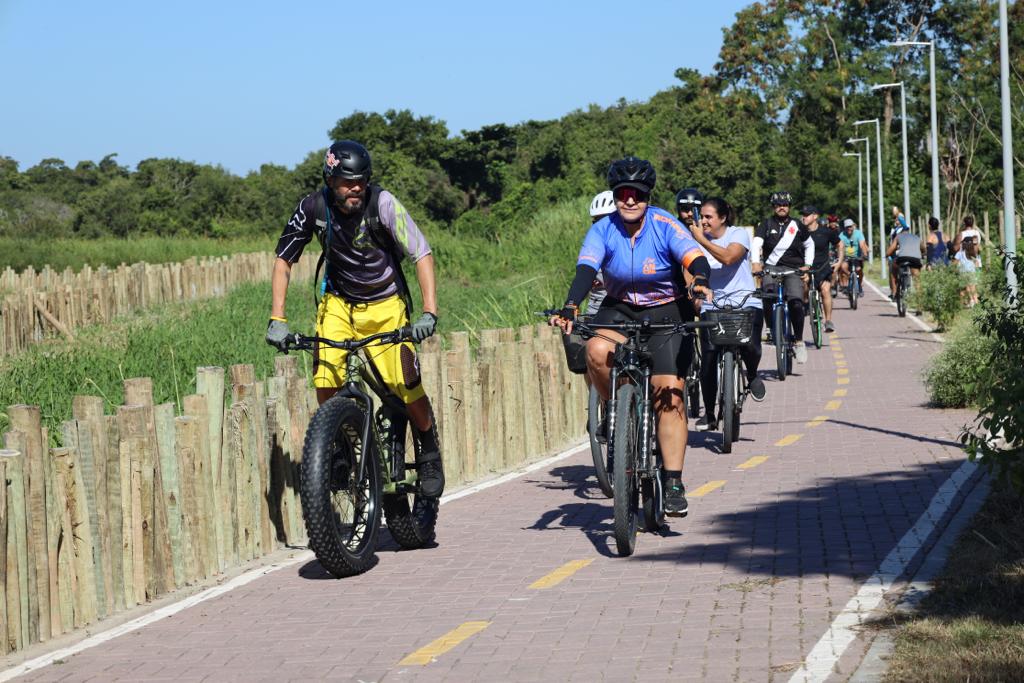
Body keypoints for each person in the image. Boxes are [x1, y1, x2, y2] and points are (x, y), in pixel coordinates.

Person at [265, 140, 445, 498]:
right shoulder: (313, 207)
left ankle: (428, 449)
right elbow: (284, 260)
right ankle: (343, 448)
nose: (356, 189)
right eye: (348, 182)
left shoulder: (384, 204)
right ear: (330, 180)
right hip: (338, 304)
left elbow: (421, 253)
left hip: (386, 305)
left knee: (405, 383)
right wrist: (277, 317)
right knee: (326, 376)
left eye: (362, 181)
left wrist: (429, 312)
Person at [550, 156, 713, 517]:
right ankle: (618, 410)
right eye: (623, 193)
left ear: (647, 196)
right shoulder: (603, 229)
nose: (629, 200)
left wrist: (700, 281)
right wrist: (570, 305)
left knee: (669, 390)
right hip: (620, 306)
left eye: (637, 194)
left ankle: (672, 481)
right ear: (615, 195)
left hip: (668, 308)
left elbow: (694, 258)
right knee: (595, 350)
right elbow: (586, 269)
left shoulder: (664, 224)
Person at [689, 196, 766, 432]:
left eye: (708, 217)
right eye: (701, 216)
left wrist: (702, 240)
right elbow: (687, 268)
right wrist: (695, 295)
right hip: (713, 304)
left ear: (722, 218)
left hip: (744, 300)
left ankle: (751, 374)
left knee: (751, 346)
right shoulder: (695, 240)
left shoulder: (738, 234)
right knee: (709, 358)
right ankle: (710, 413)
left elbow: (729, 258)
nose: (703, 221)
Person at [751, 191, 814, 364]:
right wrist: (756, 263)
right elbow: (756, 242)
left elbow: (810, 244)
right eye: (778, 205)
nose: (781, 207)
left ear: (789, 207)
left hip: (793, 269)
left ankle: (799, 341)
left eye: (785, 205)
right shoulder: (766, 224)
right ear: (773, 207)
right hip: (771, 268)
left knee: (796, 303)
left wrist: (807, 265)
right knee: (767, 294)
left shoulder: (797, 225)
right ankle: (772, 327)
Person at [560, 191, 617, 376]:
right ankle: (597, 399)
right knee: (589, 363)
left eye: (606, 219)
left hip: (624, 313)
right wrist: (571, 306)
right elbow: (582, 280)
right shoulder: (593, 246)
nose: (601, 225)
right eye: (596, 220)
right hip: (596, 313)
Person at [803, 205, 842, 333]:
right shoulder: (800, 232)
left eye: (807, 215)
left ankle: (828, 321)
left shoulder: (826, 231)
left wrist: (839, 262)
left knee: (825, 290)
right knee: (803, 287)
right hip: (806, 269)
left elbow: (840, 245)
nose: (804, 217)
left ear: (815, 216)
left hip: (823, 268)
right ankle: (807, 305)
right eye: (803, 214)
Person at [886, 216, 924, 296]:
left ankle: (894, 292)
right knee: (917, 278)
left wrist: (886, 255)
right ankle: (920, 298)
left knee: (893, 270)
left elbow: (891, 250)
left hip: (902, 258)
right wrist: (923, 254)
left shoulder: (898, 236)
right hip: (915, 259)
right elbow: (923, 248)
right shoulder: (917, 237)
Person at [838, 218, 869, 294]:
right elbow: (840, 247)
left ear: (853, 226)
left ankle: (860, 285)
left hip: (857, 257)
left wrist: (865, 254)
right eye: (847, 227)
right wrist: (840, 257)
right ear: (845, 228)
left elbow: (862, 245)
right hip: (846, 257)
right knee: (843, 267)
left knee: (859, 270)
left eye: (850, 226)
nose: (849, 228)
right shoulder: (842, 235)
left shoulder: (858, 233)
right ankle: (846, 285)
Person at [955, 236, 981, 306]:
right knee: (973, 289)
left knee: (965, 288)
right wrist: (978, 274)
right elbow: (977, 264)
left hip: (963, 273)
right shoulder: (974, 254)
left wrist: (955, 270)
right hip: (972, 273)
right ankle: (975, 302)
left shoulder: (960, 253)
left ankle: (966, 303)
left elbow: (954, 263)